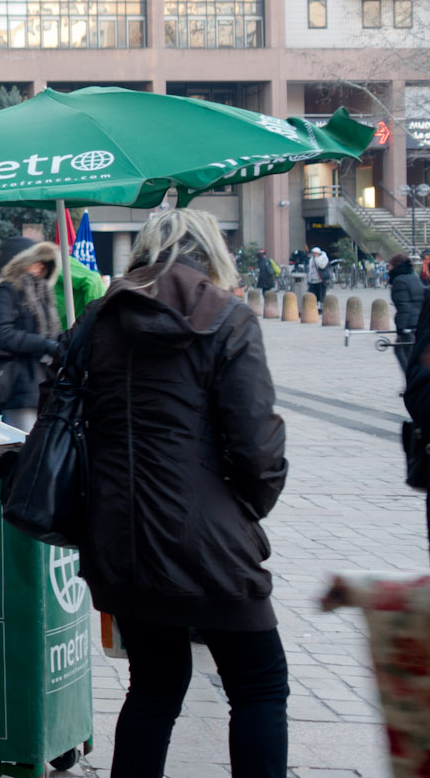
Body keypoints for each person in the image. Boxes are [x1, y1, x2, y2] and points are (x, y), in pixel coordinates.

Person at [74, 208, 288, 778]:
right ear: (212, 253)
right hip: (209, 542)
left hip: (120, 536)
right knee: (260, 685)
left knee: (153, 689)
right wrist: (245, 510)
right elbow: (256, 442)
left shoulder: (97, 319)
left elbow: (63, 417)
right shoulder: (229, 318)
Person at [0, 237, 63, 431]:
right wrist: (44, 344)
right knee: (26, 443)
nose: (41, 269)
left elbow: (51, 332)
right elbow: (2, 333)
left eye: (44, 266)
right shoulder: (8, 290)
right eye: (37, 264)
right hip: (19, 380)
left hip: (41, 378)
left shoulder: (41, 292)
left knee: (33, 444)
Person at [392, 253, 426, 371]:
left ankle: (412, 383)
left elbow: (403, 306)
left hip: (409, 324)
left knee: (407, 354)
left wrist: (401, 328)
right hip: (419, 321)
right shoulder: (414, 277)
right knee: (402, 350)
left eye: (390, 265)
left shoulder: (399, 281)